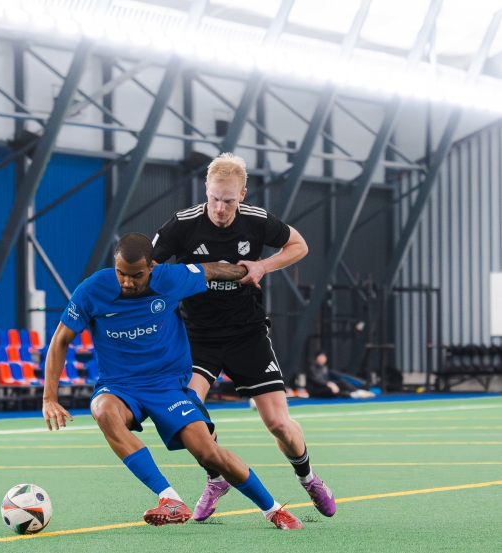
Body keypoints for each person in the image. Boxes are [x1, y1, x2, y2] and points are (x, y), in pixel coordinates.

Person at [42, 233, 303, 530]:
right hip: (119, 385)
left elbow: (212, 270)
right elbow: (60, 340)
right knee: (103, 410)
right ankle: (170, 498)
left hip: (168, 386)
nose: (127, 282)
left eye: (136, 275)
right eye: (121, 273)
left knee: (209, 453)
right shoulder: (91, 290)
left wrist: (254, 269)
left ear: (152, 266)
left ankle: (273, 510)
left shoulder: (172, 278)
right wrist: (49, 397)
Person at [151, 152, 335, 521]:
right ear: (205, 189)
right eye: (214, 198)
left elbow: (299, 245)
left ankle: (309, 478)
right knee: (187, 415)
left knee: (279, 424)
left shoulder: (257, 220)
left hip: (247, 333)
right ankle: (216, 478)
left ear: (243, 195)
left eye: (229, 201)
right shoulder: (182, 225)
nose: (220, 208)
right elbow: (148, 266)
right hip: (198, 335)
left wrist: (263, 265)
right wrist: (180, 280)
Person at [308, 352, 374, 399]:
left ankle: (357, 392)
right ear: (317, 358)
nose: (323, 359)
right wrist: (329, 384)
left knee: (342, 383)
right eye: (321, 357)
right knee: (330, 389)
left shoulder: (325, 368)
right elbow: (318, 380)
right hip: (316, 390)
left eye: (324, 357)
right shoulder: (312, 368)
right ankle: (350, 395)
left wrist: (333, 384)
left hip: (327, 386)